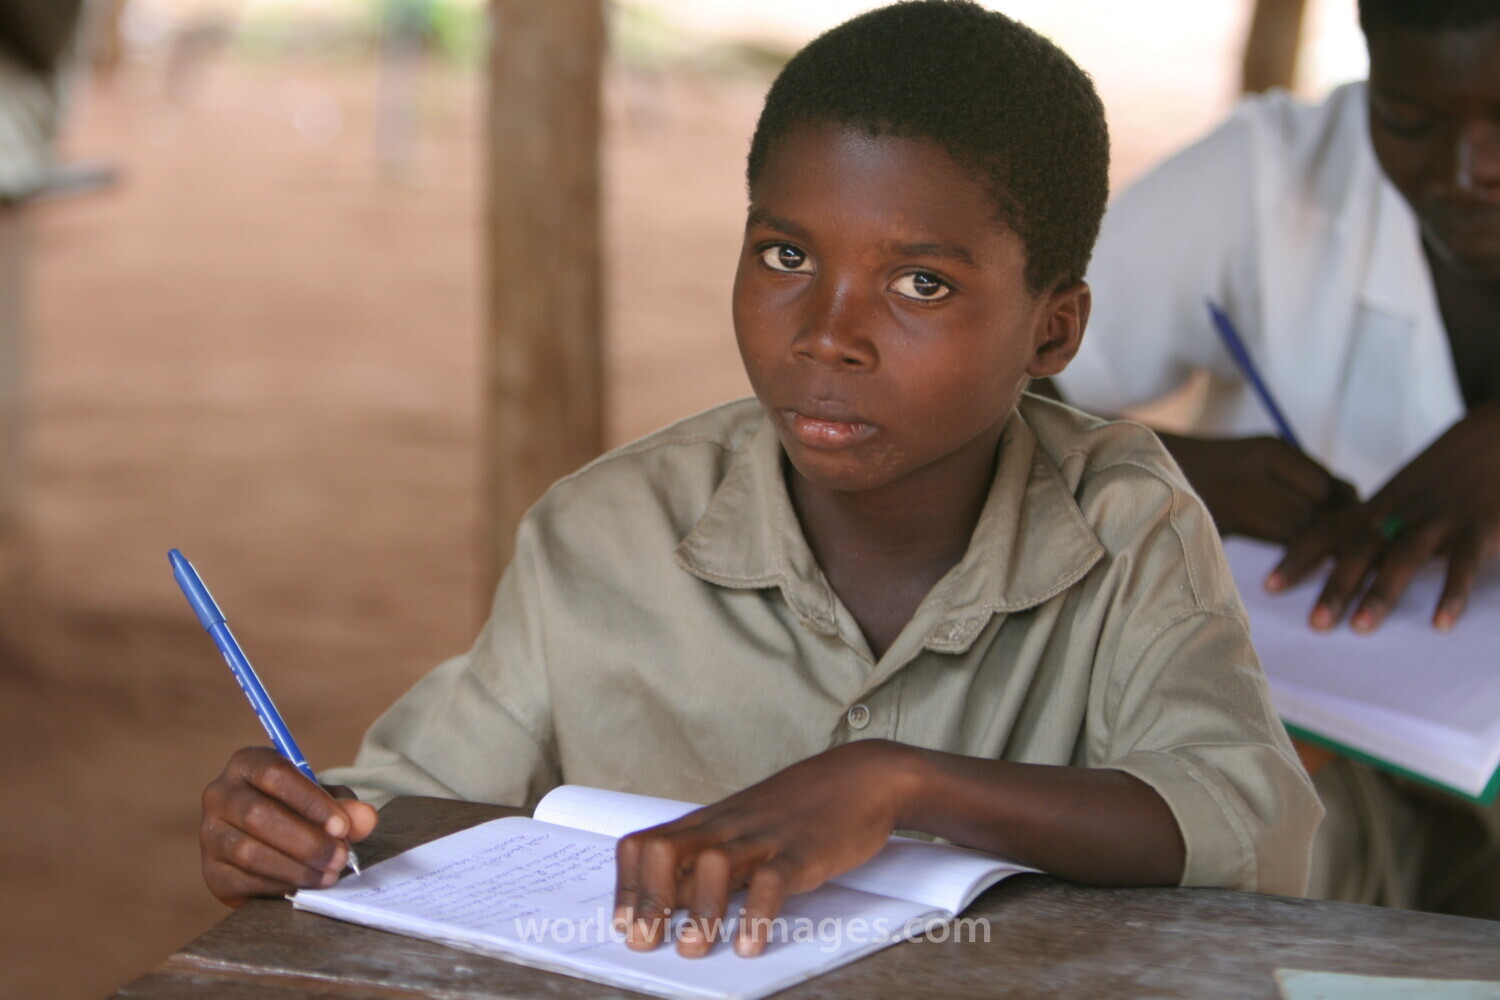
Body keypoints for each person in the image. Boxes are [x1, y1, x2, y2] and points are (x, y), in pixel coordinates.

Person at [197, 0, 1320, 958]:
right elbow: (403, 803)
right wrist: (297, 827)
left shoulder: (1122, 518)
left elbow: (1254, 820)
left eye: (920, 283)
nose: (828, 336)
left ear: (1054, 329)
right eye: (785, 256)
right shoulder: (609, 531)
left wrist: (901, 786)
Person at [1051, 0, 1500, 914]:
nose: (1469, 173)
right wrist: (1150, 463)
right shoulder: (1271, 180)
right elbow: (973, 388)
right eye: (1410, 122)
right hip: (1323, 766)